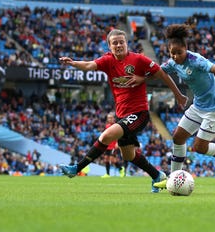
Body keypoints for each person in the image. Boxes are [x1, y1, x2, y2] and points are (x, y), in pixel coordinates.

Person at [59, 29, 188, 193]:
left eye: (122, 42)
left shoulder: (138, 59)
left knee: (106, 135)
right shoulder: (107, 61)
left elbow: (161, 73)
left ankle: (76, 168)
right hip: (122, 115)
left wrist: (178, 94)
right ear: (110, 46)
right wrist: (73, 63)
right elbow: (90, 65)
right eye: (115, 43)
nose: (119, 45)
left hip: (139, 113)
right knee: (128, 155)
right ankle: (157, 176)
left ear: (127, 44)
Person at [153, 24, 215, 189]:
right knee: (178, 137)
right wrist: (138, 77)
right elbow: (156, 71)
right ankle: (173, 178)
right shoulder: (172, 63)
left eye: (179, 52)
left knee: (199, 148)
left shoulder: (196, 60)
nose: (176, 56)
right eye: (173, 53)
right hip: (198, 106)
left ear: (186, 49)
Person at [101, 113, 125, 178]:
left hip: (114, 145)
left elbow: (120, 135)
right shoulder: (107, 126)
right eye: (109, 118)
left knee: (112, 160)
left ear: (114, 118)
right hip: (107, 145)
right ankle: (107, 174)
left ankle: (121, 169)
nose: (110, 119)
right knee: (106, 159)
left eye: (111, 118)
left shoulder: (116, 126)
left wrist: (117, 143)